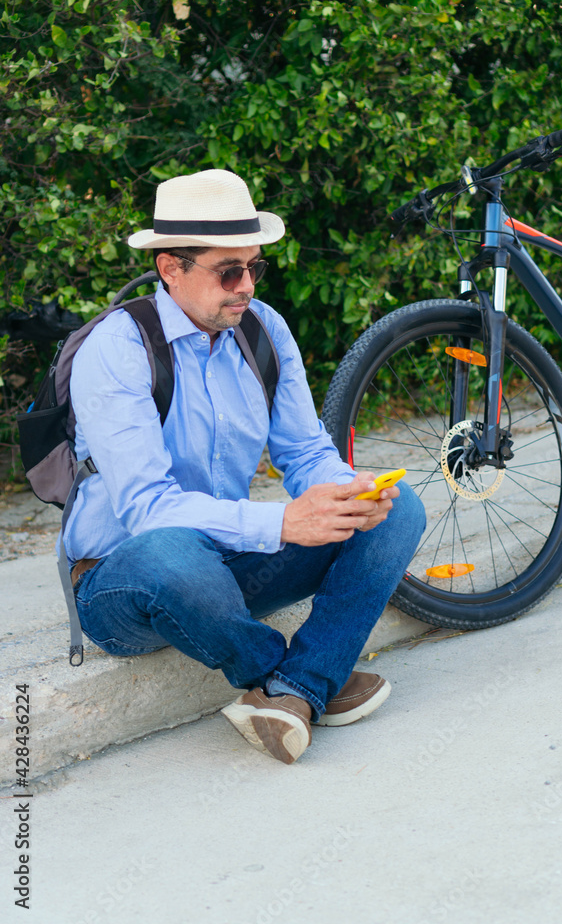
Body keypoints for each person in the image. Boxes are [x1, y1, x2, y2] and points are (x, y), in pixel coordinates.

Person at [65, 169, 426, 765]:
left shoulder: (264, 331)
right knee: (172, 552)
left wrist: (347, 492)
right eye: (228, 271)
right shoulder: (117, 349)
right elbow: (147, 511)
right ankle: (306, 679)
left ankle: (292, 693)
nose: (246, 287)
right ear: (170, 267)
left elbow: (305, 453)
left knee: (396, 510)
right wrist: (284, 523)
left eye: (255, 267)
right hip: (126, 581)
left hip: (228, 568)